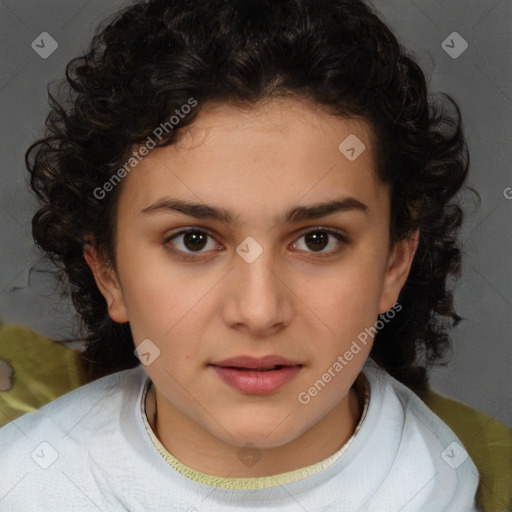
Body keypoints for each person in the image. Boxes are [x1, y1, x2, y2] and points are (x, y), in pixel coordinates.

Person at [0, 0, 497, 510]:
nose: (258, 312)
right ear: (108, 272)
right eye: (193, 240)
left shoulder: (448, 485)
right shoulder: (23, 484)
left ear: (394, 264)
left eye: (317, 240)